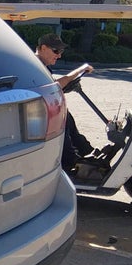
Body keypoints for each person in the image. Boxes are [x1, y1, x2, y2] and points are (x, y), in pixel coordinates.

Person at [35, 33, 96, 173]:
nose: (59, 55)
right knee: (63, 124)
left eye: (61, 51)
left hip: (46, 109)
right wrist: (79, 70)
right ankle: (71, 164)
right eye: (56, 51)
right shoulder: (35, 65)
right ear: (43, 48)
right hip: (39, 114)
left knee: (68, 118)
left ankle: (88, 155)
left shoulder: (42, 65)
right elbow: (54, 86)